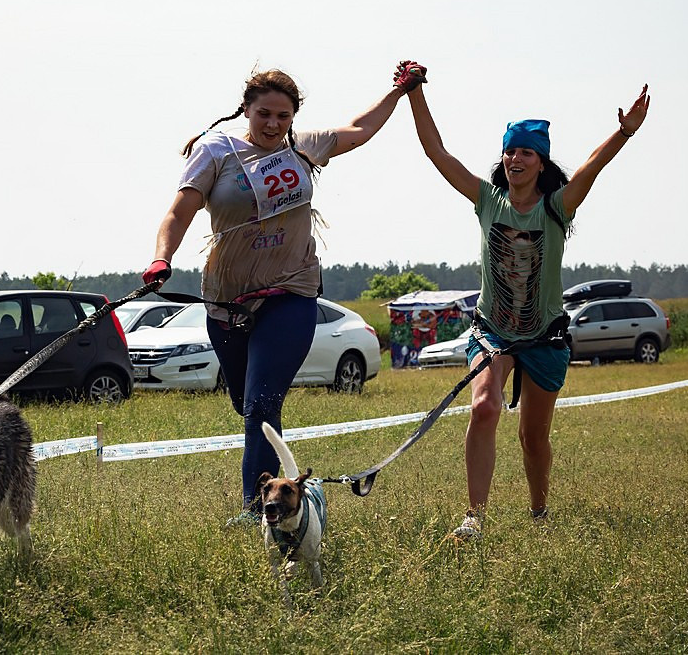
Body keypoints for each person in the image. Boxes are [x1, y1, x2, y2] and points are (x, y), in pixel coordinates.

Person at [142, 65, 414, 526]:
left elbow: (360, 130)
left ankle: (255, 511)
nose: (272, 125)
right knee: (249, 409)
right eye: (263, 114)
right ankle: (282, 496)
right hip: (228, 299)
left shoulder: (302, 149)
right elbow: (179, 211)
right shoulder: (216, 151)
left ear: (293, 117)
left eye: (282, 116)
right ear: (245, 110)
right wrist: (160, 258)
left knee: (262, 405)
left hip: (292, 290)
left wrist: (399, 92)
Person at [404, 63, 650, 541]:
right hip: (492, 330)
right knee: (484, 407)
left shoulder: (557, 206)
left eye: (525, 153)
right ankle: (474, 517)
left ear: (540, 161)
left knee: (533, 438)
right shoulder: (487, 200)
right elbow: (437, 152)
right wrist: (415, 93)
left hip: (545, 336)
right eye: (509, 151)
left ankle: (539, 511)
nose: (515, 158)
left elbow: (591, 168)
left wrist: (624, 132)